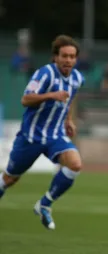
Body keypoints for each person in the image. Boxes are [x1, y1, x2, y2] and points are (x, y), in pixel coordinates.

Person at [0, 35, 85, 230]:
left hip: (55, 135)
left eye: (72, 56)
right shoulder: (45, 74)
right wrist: (51, 95)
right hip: (30, 137)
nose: (68, 60)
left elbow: (69, 100)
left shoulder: (77, 78)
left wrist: (68, 119)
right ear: (55, 57)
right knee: (9, 179)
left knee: (75, 165)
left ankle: (44, 204)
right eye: (64, 56)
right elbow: (26, 99)